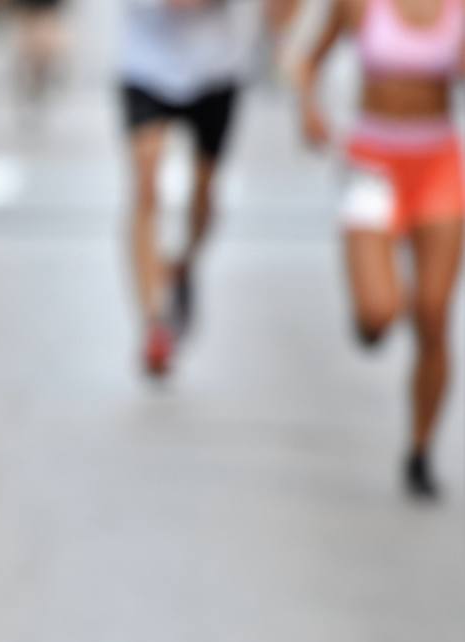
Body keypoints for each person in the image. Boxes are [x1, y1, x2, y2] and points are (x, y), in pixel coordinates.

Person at [296, 0, 464, 498]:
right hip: (373, 161)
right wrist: (310, 110)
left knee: (433, 314)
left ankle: (420, 448)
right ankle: (372, 316)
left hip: (437, 163)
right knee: (380, 313)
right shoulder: (357, 5)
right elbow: (308, 61)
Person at [120, 0, 256, 377]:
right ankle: (154, 323)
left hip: (215, 66)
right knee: (145, 186)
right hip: (145, 63)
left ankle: (184, 265)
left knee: (204, 189)